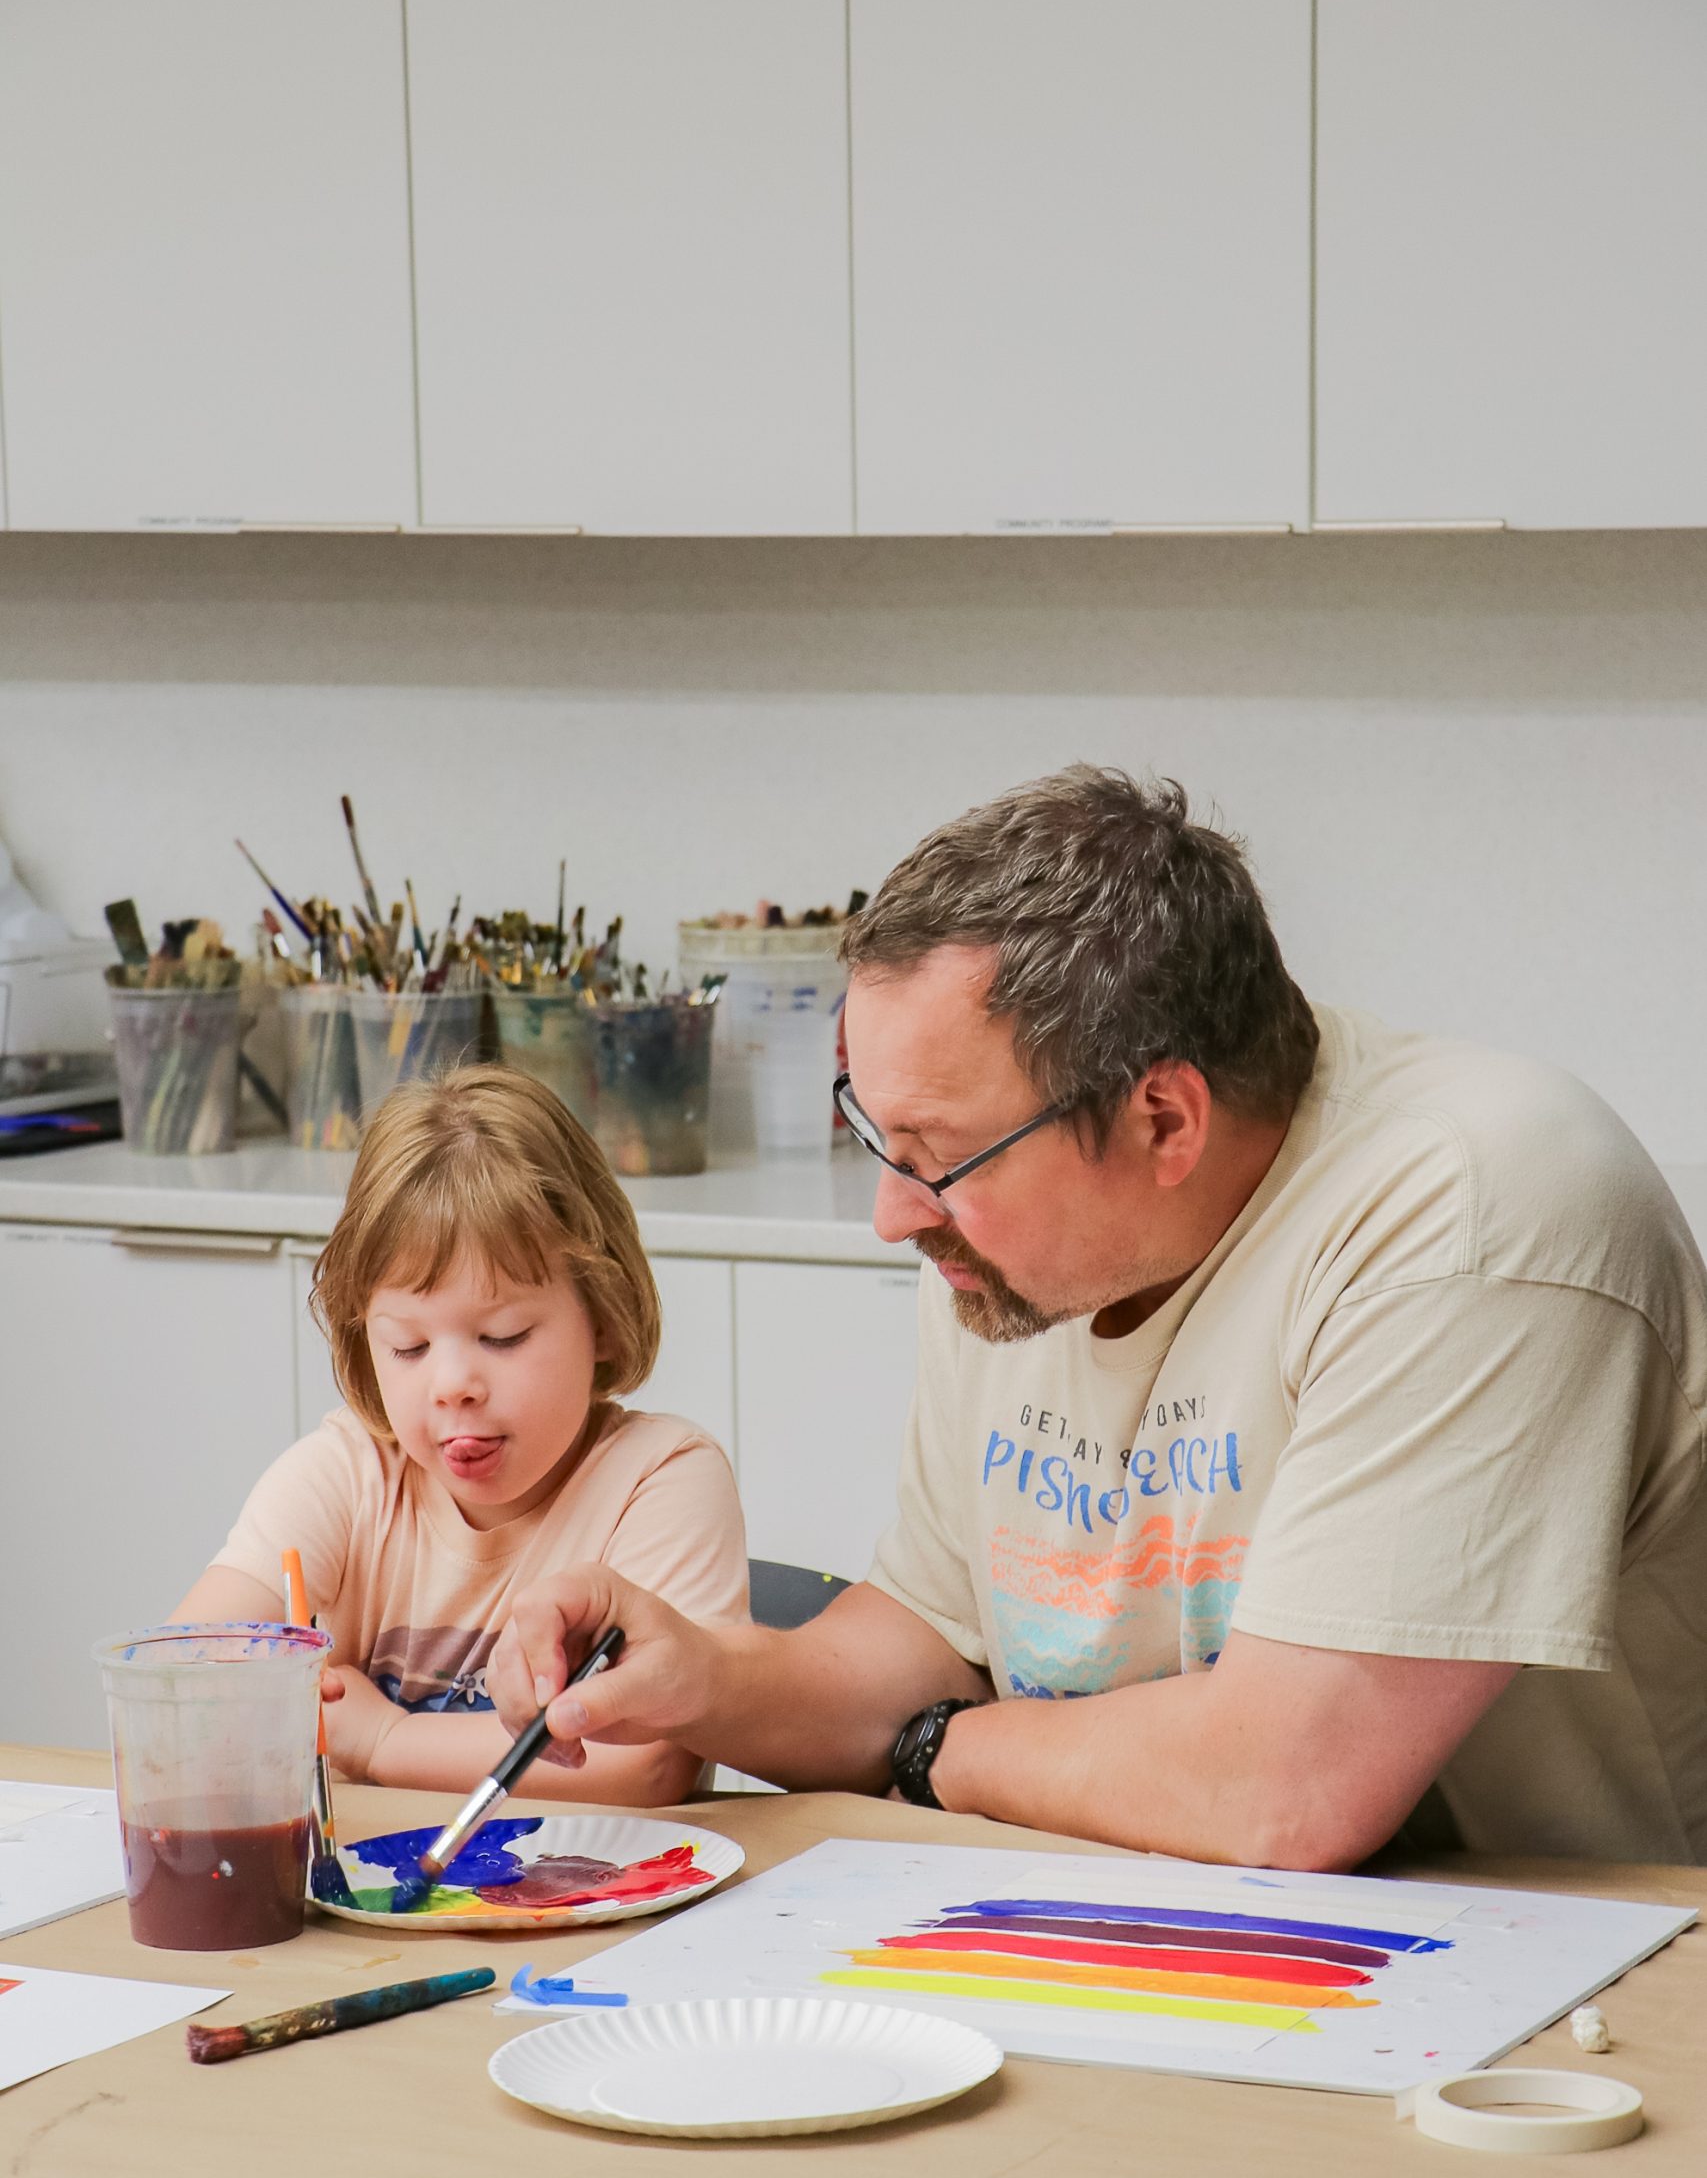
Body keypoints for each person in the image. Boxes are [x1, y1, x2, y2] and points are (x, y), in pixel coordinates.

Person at [487, 764, 1707, 1870]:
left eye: (933, 1155)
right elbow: (926, 1637)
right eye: (875, 1132)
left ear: (1163, 1119)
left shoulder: (1477, 1214)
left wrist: (937, 1754)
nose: (892, 1214)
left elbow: (1277, 1792)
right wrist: (701, 1676)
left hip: (1600, 1972)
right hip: (1170, 1917)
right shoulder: (1006, 1249)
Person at [173, 1064, 745, 1801]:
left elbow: (647, 1758)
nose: (452, 1385)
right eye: (407, 1347)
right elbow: (180, 1686)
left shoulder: (660, 1477)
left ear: (600, 1315)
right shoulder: (347, 1474)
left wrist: (388, 1740)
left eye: (503, 1336)